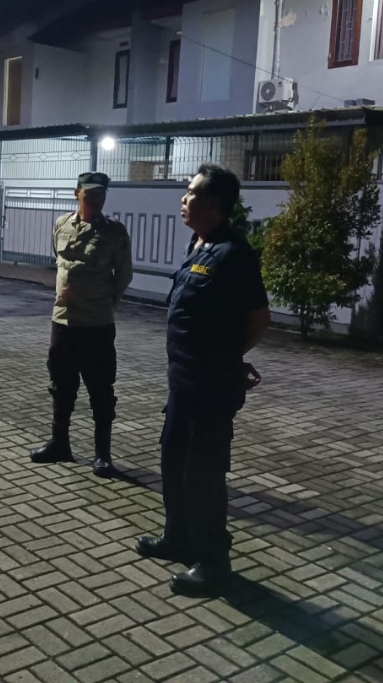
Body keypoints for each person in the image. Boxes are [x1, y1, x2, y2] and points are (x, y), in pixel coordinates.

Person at [136, 164, 269, 598]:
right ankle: (179, 538)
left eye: (190, 192)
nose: (183, 198)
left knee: (204, 474)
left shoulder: (234, 253)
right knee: (173, 462)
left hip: (210, 388)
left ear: (213, 203)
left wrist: (230, 359)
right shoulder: (200, 245)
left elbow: (258, 319)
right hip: (183, 383)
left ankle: (214, 564)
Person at [30, 171, 133, 477]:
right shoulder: (61, 224)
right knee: (61, 385)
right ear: (77, 193)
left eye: (101, 194)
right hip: (63, 321)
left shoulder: (114, 232)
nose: (96, 199)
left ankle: (103, 454)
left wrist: (105, 302)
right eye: (90, 193)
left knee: (100, 389)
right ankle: (60, 443)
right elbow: (59, 262)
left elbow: (124, 275)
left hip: (97, 324)